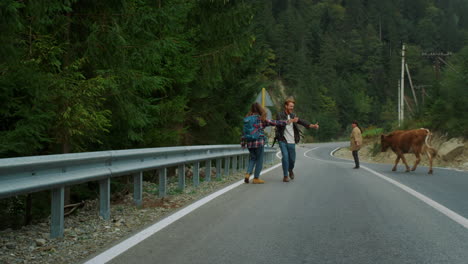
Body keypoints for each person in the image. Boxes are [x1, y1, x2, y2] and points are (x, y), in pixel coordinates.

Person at [241, 102, 294, 184]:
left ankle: (247, 174)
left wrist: (243, 142)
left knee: (252, 158)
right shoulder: (261, 119)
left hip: (250, 142)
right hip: (259, 142)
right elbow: (274, 122)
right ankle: (256, 178)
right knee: (259, 160)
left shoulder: (247, 119)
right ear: (260, 109)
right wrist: (286, 122)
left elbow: (244, 132)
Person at [275, 99, 319, 182]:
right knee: (285, 157)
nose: (292, 108)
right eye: (290, 106)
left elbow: (302, 121)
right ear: (286, 106)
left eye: (293, 107)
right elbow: (279, 122)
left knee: (292, 160)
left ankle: (290, 170)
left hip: (292, 140)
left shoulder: (293, 115)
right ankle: (285, 176)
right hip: (282, 139)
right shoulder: (280, 115)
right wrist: (290, 120)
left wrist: (312, 126)